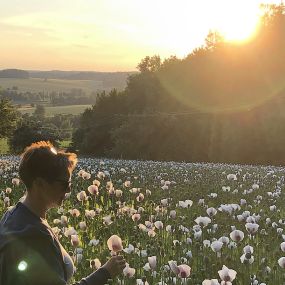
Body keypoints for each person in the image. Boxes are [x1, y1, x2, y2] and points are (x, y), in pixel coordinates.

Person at [0, 141, 126, 285]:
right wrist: (105, 272)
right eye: (64, 184)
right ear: (39, 183)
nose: (68, 190)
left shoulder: (12, 216)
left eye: (70, 184)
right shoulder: (33, 235)